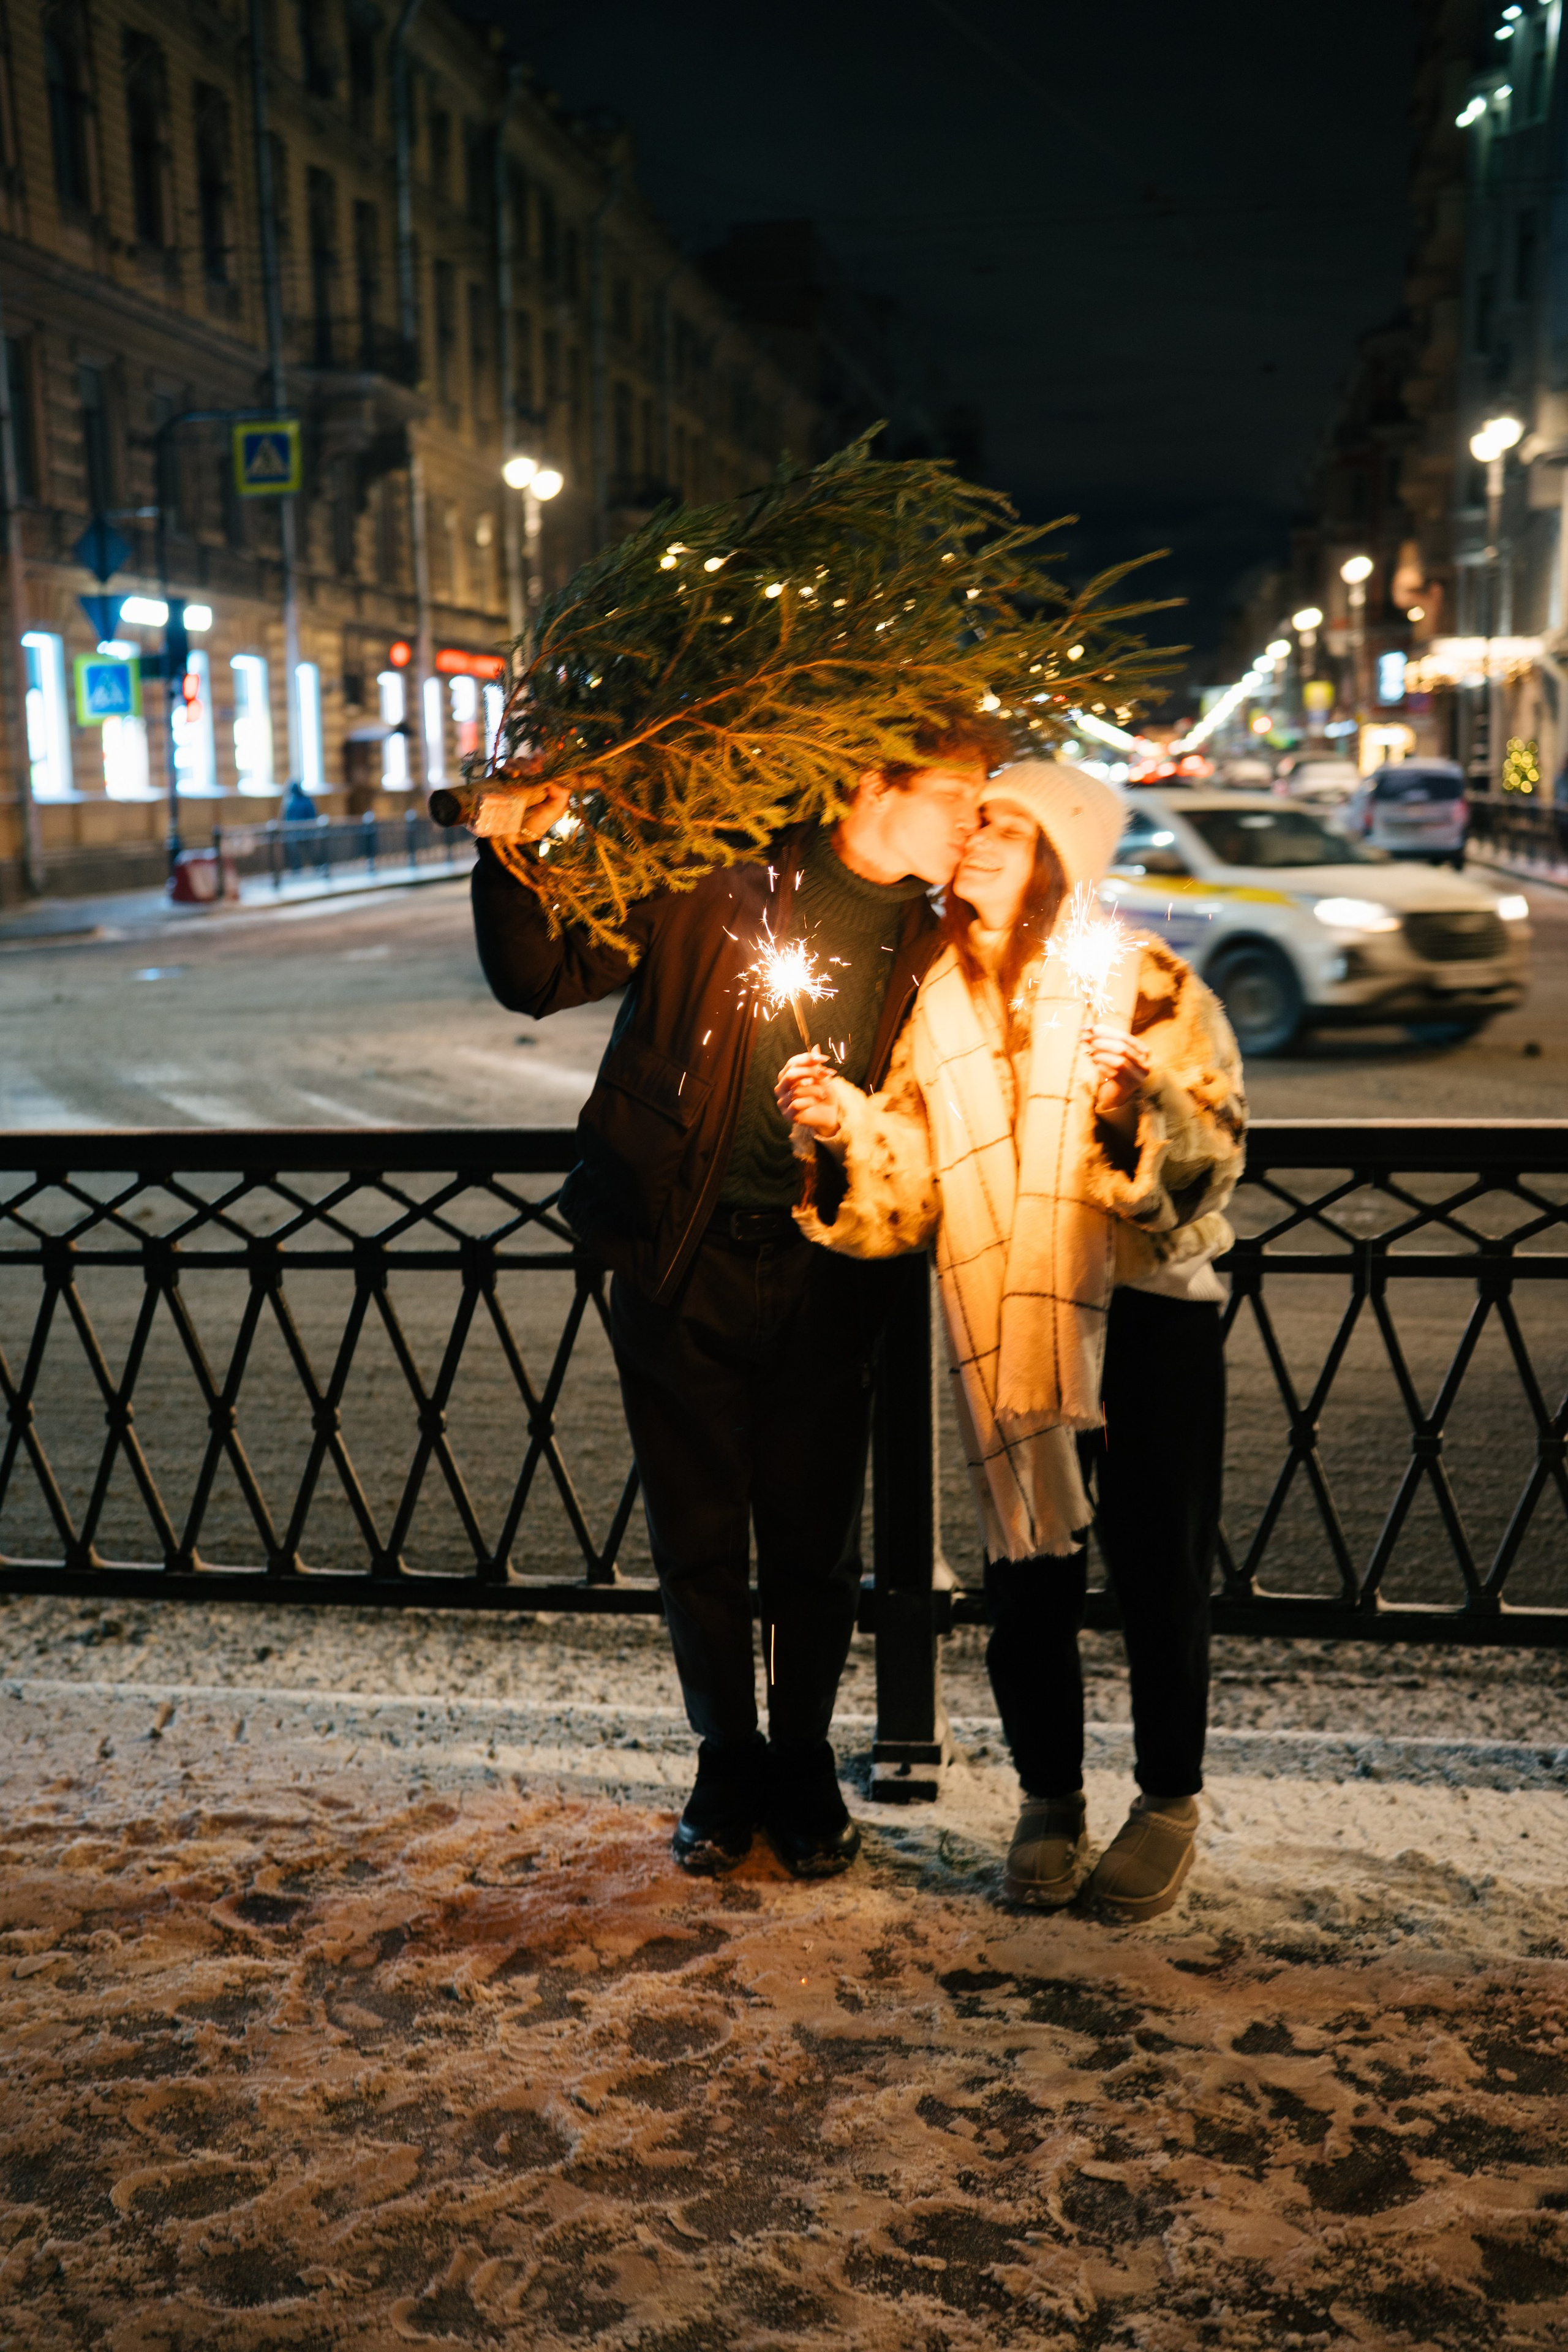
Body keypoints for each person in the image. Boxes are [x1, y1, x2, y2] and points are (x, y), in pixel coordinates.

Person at [470, 713, 1008, 1878]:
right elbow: (538, 973)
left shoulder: (933, 944)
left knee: (816, 1544)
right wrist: (508, 842)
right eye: (957, 797)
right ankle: (727, 1758)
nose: (971, 824)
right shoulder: (716, 886)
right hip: (683, 1254)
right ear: (876, 782)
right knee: (699, 1535)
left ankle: (804, 1759)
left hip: (832, 1269)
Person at [777, 760, 1247, 1920]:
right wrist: (847, 1126)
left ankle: (1170, 1800)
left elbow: (1215, 1149)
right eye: (974, 821)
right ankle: (1051, 1795)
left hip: (1142, 1313)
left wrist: (1142, 1112)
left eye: (1010, 827)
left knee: (1156, 1566)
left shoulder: (1140, 979)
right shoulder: (933, 1000)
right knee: (1028, 1569)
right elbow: (912, 1192)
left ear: (1059, 859)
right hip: (1002, 1319)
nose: (978, 839)